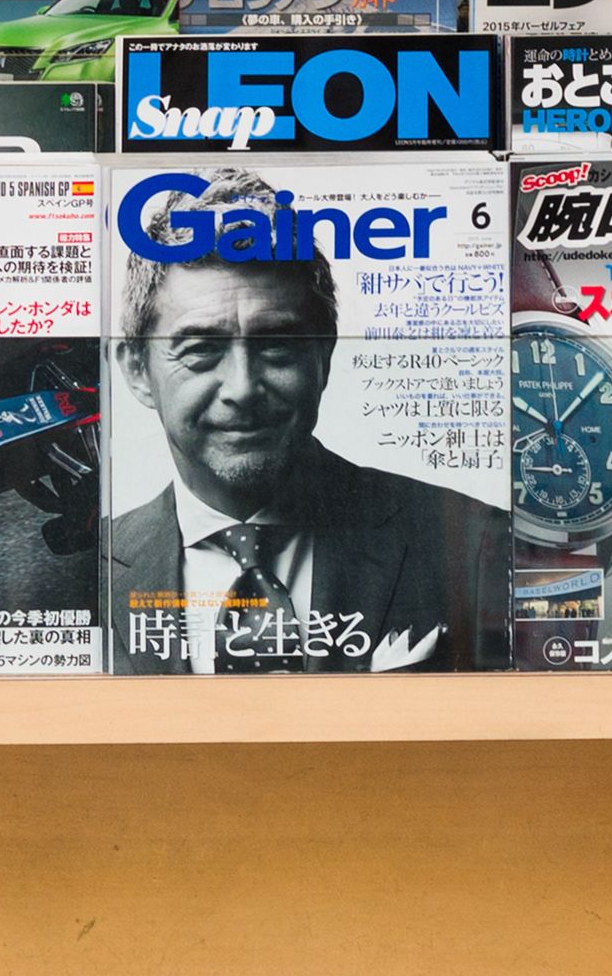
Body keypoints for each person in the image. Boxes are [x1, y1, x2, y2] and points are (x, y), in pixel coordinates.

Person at [100, 228, 485, 672]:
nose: (243, 389)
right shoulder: (74, 573)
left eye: (276, 345)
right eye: (202, 350)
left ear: (324, 355)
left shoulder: (473, 545)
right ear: (136, 369)